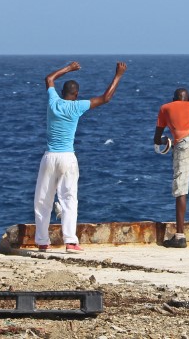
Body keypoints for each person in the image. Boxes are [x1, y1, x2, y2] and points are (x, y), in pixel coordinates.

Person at [34, 61, 127, 253]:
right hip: (68, 157)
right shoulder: (78, 106)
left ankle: (43, 241)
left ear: (62, 92)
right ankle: (70, 241)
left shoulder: (53, 102)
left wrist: (68, 68)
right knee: (69, 199)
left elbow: (49, 78)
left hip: (50, 156)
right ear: (76, 94)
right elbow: (106, 98)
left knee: (43, 200)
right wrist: (118, 75)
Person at [154, 88, 189, 248]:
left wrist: (165, 141)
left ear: (173, 99)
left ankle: (179, 236)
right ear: (188, 99)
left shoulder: (165, 107)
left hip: (184, 143)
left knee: (181, 186)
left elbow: (157, 137)